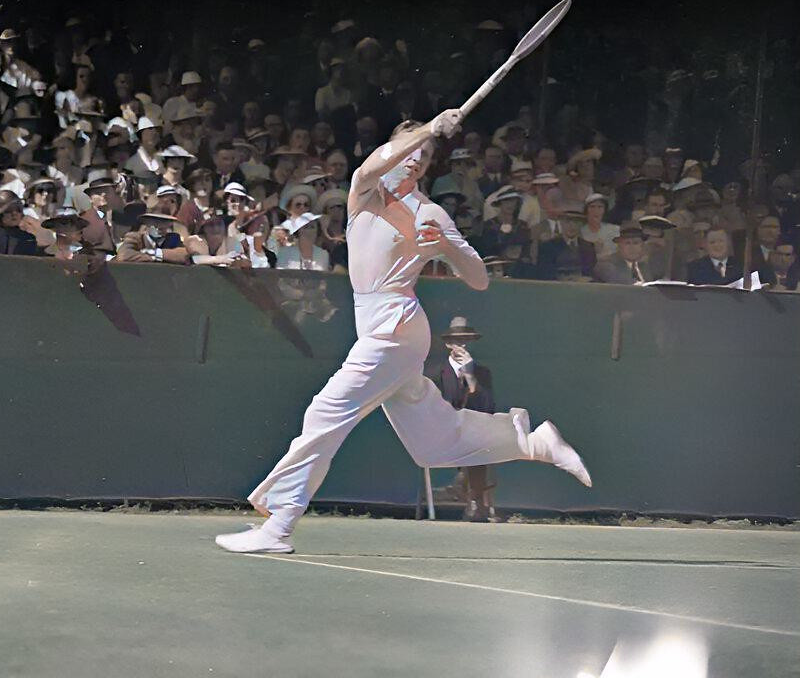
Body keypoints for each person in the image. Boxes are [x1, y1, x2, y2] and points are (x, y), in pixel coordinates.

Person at [216, 110, 591, 554]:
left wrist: (446, 246)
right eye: (411, 149)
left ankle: (278, 527)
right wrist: (428, 129)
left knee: (324, 414)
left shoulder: (429, 212)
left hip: (396, 327)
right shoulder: (366, 191)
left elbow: (479, 279)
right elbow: (367, 168)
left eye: (426, 155)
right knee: (431, 445)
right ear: (392, 151)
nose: (417, 159)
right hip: (380, 329)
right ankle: (530, 441)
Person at [430, 317, 497, 522]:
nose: (462, 345)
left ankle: (470, 494)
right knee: (473, 442)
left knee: (478, 441)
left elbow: (486, 407)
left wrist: (469, 376)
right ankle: (470, 494)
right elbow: (438, 406)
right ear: (448, 344)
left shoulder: (482, 373)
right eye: (458, 341)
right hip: (443, 433)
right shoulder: (435, 373)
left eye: (466, 340)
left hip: (472, 435)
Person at [592, 221, 657, 284]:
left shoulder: (644, 266)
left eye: (636, 243)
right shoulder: (606, 265)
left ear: (642, 246)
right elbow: (625, 286)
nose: (632, 248)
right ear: (619, 246)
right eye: (627, 243)